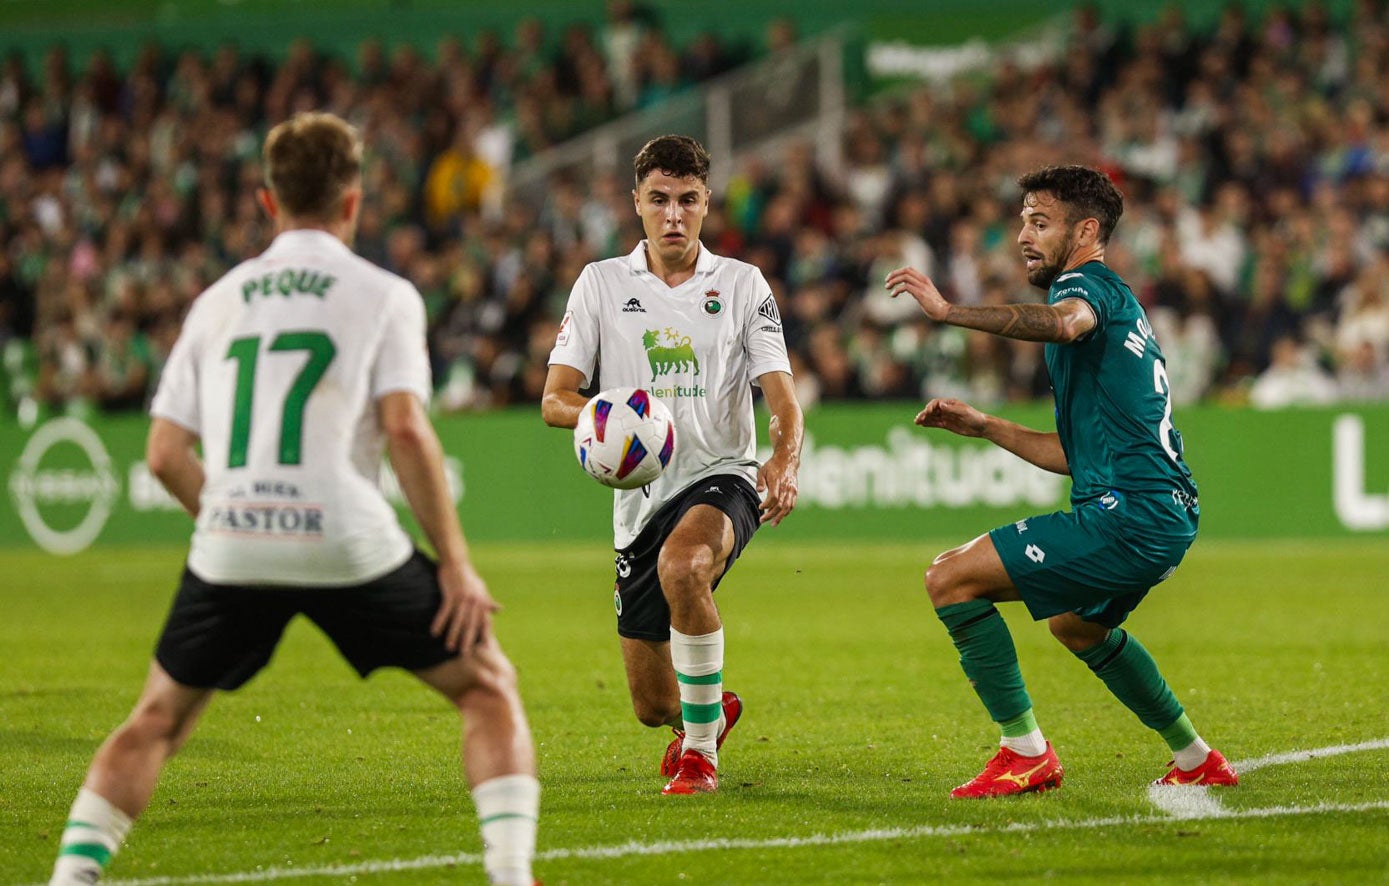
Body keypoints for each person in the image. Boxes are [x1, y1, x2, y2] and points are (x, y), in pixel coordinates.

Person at [49, 112, 539, 885]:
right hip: (347, 538)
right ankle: (511, 875)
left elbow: (163, 454)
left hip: (233, 541)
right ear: (353, 202)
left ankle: (69, 877)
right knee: (486, 687)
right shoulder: (384, 295)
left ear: (267, 201)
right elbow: (406, 433)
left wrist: (233, 516)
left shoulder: (216, 300)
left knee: (155, 723)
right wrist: (456, 566)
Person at [884, 164, 1237, 798]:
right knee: (1077, 625)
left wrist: (946, 311)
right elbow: (1076, 455)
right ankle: (1195, 757)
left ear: (1086, 231)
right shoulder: (1120, 306)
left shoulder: (1085, 286)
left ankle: (1025, 753)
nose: (1022, 235)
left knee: (950, 577)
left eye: (1040, 222)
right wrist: (987, 425)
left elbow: (1067, 321)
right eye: (1022, 220)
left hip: (1129, 513)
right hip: (1162, 510)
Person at [541, 134, 803, 795]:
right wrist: (610, 417)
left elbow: (781, 396)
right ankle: (705, 714)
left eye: (687, 200)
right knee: (653, 706)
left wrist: (784, 460)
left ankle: (699, 755)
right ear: (635, 203)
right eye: (658, 200)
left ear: (706, 203)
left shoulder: (742, 284)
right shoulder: (600, 283)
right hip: (638, 497)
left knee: (684, 564)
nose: (674, 215)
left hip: (721, 476)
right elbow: (554, 399)